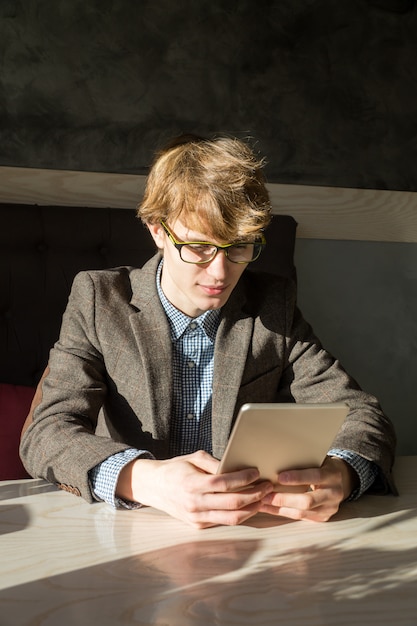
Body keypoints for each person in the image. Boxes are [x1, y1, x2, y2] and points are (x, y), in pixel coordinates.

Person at [20, 134, 396, 528]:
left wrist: (343, 474)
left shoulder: (272, 303)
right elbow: (45, 432)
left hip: (251, 533)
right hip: (132, 528)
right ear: (157, 231)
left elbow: (362, 414)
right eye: (198, 247)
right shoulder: (100, 299)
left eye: (239, 247)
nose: (220, 273)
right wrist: (146, 479)